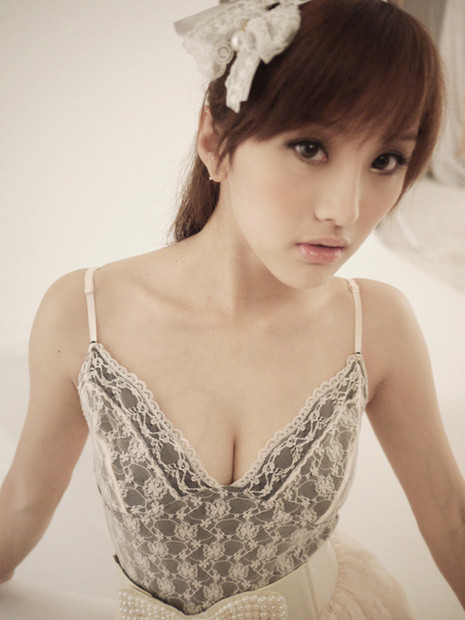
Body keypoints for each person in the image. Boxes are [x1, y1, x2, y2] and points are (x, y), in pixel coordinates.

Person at [1, 0, 464, 617]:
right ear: (215, 140)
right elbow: (23, 504)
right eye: (309, 147)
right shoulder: (85, 315)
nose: (346, 211)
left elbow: (450, 517)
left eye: (385, 161)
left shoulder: (374, 325)